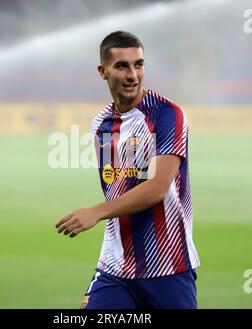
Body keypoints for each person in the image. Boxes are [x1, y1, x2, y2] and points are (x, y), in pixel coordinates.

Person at [55, 31, 200, 309]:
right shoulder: (100, 123)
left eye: (139, 64)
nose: (133, 74)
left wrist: (95, 212)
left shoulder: (167, 114)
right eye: (122, 66)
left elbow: (157, 187)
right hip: (115, 267)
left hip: (167, 266)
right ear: (103, 71)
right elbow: (116, 185)